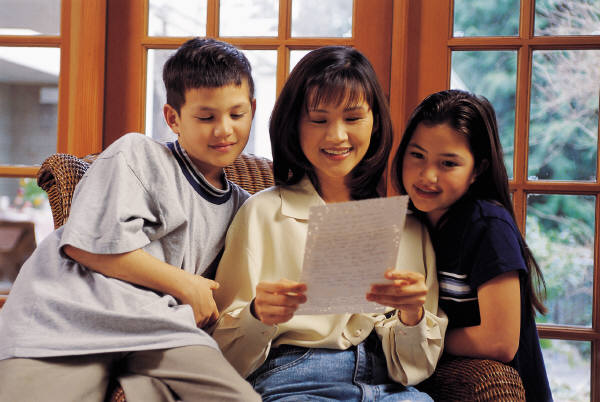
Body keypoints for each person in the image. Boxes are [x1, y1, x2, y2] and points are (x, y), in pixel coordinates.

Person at [0, 37, 261, 402]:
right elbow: (87, 248)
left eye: (236, 115)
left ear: (252, 109)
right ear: (173, 118)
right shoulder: (138, 154)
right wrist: (186, 284)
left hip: (160, 328)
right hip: (69, 320)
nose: (224, 130)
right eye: (206, 117)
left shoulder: (243, 206)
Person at [211, 46, 448, 401]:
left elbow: (416, 367)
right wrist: (258, 315)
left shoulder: (408, 225)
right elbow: (225, 358)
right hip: (295, 381)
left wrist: (413, 316)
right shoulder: (262, 213)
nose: (337, 136)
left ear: (375, 122)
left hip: (391, 387)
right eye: (319, 120)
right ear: (294, 124)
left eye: (353, 119)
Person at [392, 89, 553, 401]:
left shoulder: (489, 226)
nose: (427, 175)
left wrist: (425, 337)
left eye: (448, 163)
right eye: (417, 155)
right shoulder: (409, 220)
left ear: (477, 170)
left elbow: (501, 341)